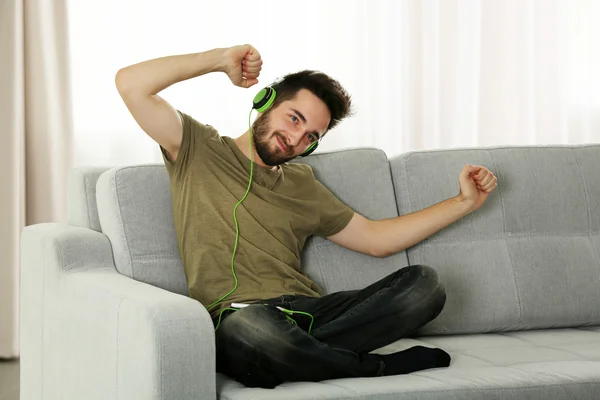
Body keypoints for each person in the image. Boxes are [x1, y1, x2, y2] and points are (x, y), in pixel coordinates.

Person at [115, 44, 498, 389]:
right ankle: (373, 368)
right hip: (238, 316)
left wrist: (462, 203)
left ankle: (291, 358)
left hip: (307, 312)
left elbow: (377, 240)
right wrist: (218, 60)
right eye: (294, 118)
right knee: (255, 330)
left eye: (312, 135)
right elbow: (130, 83)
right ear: (265, 102)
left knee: (425, 286)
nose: (298, 139)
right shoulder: (199, 149)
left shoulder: (303, 183)